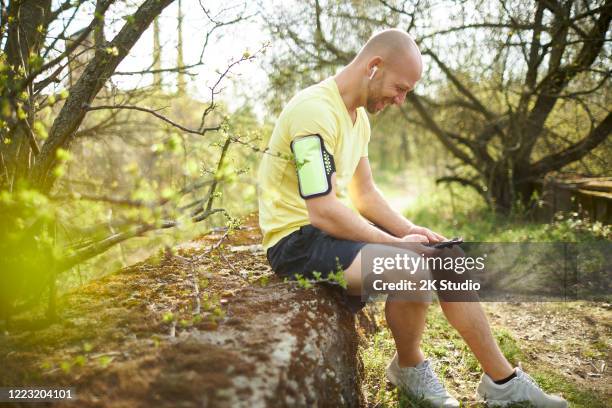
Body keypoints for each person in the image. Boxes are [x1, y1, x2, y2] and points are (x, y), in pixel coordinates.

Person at [257, 28, 568, 408]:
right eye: (400, 88)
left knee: (446, 257)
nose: (401, 101)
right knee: (410, 267)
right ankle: (409, 367)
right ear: (374, 66)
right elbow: (321, 209)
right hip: (296, 244)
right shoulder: (314, 112)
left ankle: (503, 382)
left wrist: (412, 231)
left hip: (324, 233)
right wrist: (394, 243)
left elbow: (364, 193)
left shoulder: (358, 120)